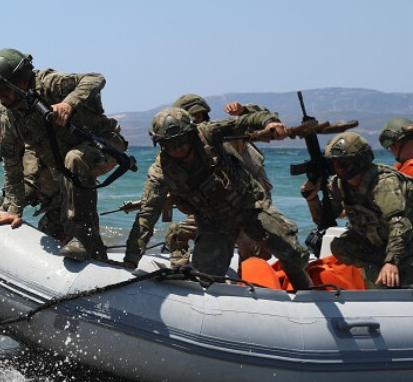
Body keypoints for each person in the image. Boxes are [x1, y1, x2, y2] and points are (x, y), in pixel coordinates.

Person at [122, 107, 314, 289]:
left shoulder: (208, 133)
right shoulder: (160, 173)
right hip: (214, 222)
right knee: (206, 277)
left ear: (191, 135)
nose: (177, 149)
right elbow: (147, 216)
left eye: (181, 142)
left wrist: (270, 122)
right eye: (169, 145)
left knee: (293, 254)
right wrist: (131, 259)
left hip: (250, 205)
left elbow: (244, 121)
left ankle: (306, 292)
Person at [0, 48, 126, 261]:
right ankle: (96, 256)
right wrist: (14, 210)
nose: (0, 95)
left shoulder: (48, 84)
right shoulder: (9, 118)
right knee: (65, 212)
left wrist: (69, 103)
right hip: (65, 169)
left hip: (104, 144)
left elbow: (95, 78)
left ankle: (82, 238)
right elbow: (12, 167)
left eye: (4, 88)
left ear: (23, 82)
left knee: (74, 159)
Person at [163, 95, 271, 267]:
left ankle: (250, 280)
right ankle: (183, 273)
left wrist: (244, 110)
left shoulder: (224, 135)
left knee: (249, 252)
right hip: (217, 211)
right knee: (176, 234)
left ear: (197, 117)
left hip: (248, 207)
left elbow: (262, 119)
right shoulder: (190, 150)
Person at [301, 132, 413, 288]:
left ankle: (398, 276)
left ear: (360, 162)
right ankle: (379, 274)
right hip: (381, 241)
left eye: (343, 163)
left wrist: (391, 262)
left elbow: (400, 224)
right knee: (342, 246)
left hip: (407, 240)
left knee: (395, 274)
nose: (338, 168)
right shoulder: (339, 185)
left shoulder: (383, 183)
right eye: (334, 163)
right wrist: (312, 199)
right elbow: (324, 221)